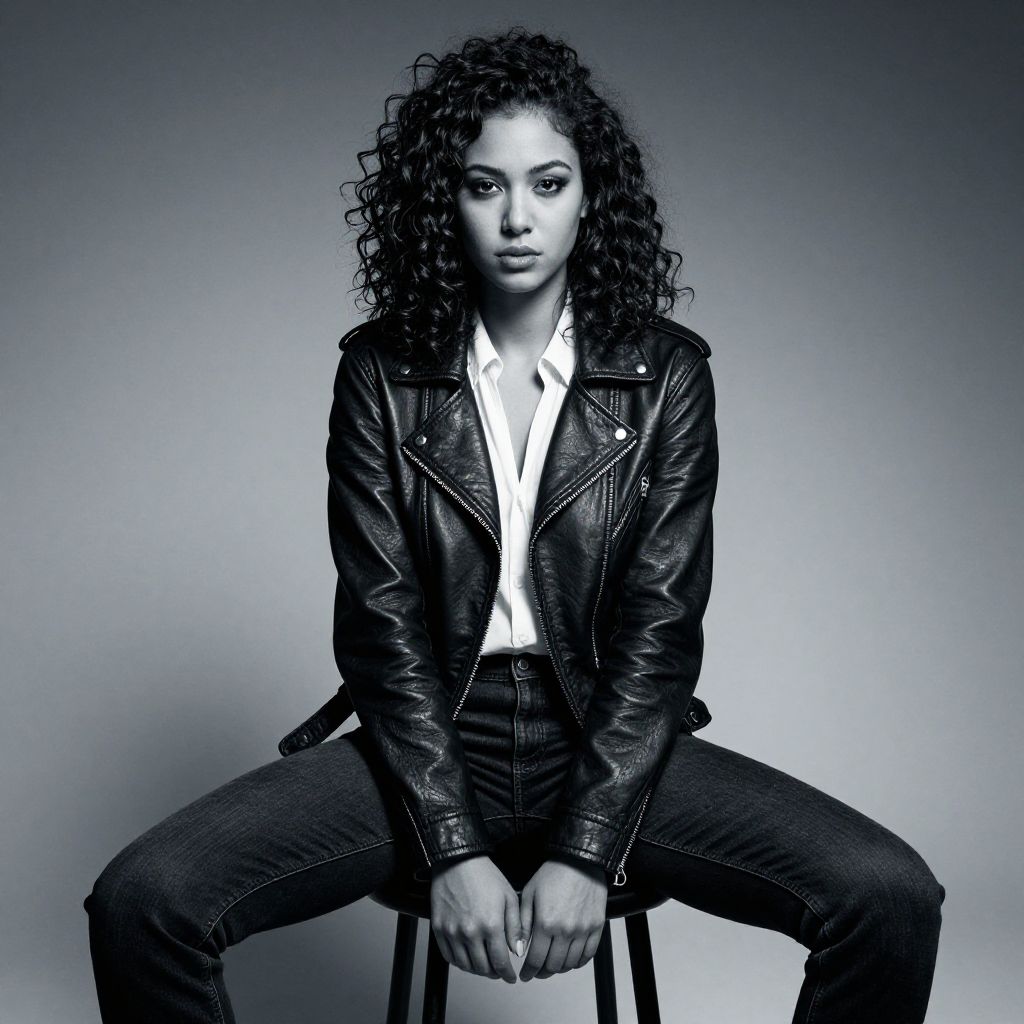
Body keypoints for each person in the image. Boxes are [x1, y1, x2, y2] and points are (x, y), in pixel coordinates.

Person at [83, 28, 946, 1023]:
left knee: (888, 896)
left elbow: (660, 629)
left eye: (547, 184)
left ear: (591, 196)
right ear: (440, 203)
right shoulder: (381, 372)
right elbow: (381, 622)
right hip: (430, 737)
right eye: (484, 186)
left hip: (611, 740)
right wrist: (451, 845)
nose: (518, 219)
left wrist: (586, 847)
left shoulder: (665, 374)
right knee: (144, 901)